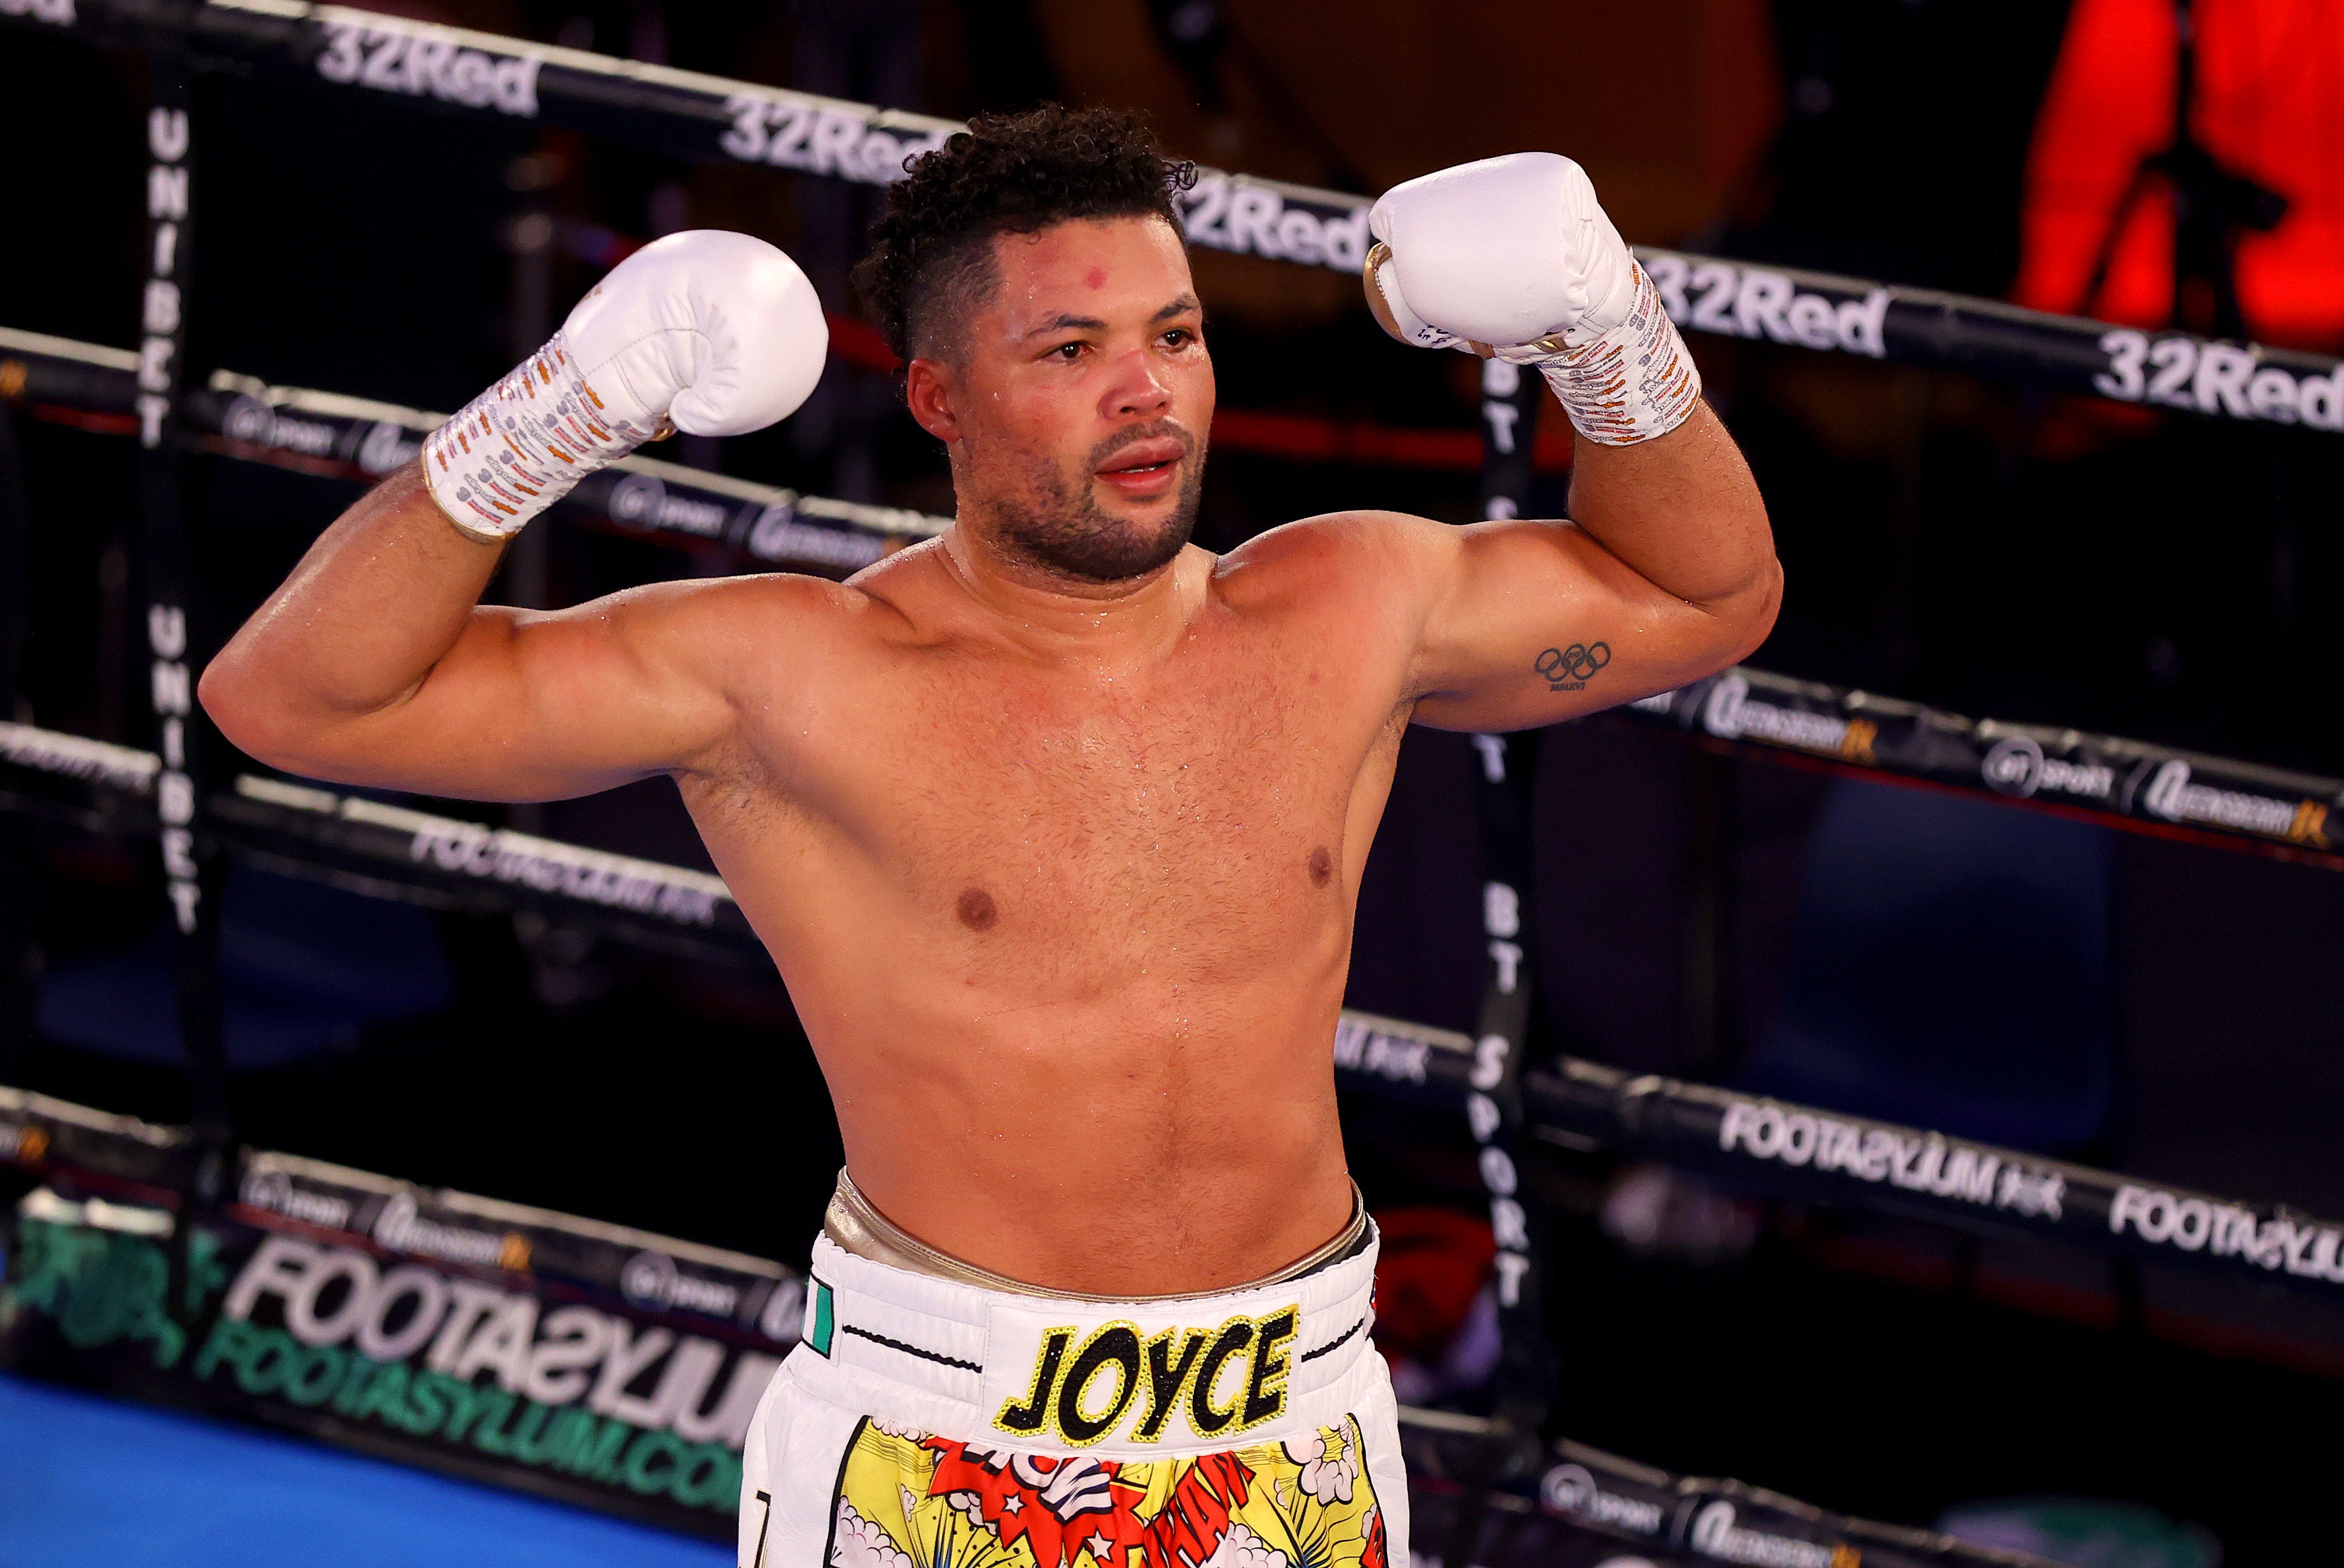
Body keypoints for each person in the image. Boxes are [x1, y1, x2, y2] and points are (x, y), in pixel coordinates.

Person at [201, 106, 1776, 1566]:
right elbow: (295, 705)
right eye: (1072, 347)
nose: (1144, 389)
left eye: (1175, 334)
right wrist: (555, 413)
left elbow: (1706, 595)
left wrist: (1607, 325)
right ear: (940, 396)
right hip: (949, 1450)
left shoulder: (1347, 608)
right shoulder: (792, 675)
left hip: (1294, 1434)